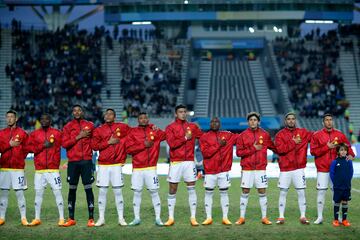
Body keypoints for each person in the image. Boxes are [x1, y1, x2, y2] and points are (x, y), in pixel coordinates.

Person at [310, 113, 355, 224]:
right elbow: (313, 151)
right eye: (326, 120)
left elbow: (348, 146)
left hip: (337, 170)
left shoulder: (339, 134)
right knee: (321, 192)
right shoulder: (316, 135)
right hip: (323, 169)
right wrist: (327, 147)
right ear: (323, 122)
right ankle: (320, 217)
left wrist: (352, 155)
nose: (329, 122)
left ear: (332, 121)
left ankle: (338, 217)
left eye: (330, 119)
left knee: (337, 192)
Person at [164, 104, 203, 226]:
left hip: (189, 162)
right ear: (176, 114)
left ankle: (193, 217)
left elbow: (203, 137)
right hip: (176, 162)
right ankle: (171, 218)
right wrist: (185, 138)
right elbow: (172, 144)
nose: (183, 114)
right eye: (180, 112)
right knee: (172, 189)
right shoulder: (170, 127)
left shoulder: (192, 126)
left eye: (184, 112)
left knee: (191, 188)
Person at [91, 108, 130, 227]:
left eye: (111, 114)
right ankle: (101, 218)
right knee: (102, 191)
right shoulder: (99, 130)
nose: (108, 116)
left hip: (117, 165)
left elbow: (135, 132)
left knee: (118, 191)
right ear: (104, 116)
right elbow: (94, 146)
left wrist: (151, 127)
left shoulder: (122, 127)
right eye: (106, 114)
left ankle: (121, 218)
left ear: (114, 116)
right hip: (103, 165)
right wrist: (108, 142)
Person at [126, 112, 166, 226]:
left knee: (154, 192)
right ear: (138, 120)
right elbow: (128, 149)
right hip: (137, 168)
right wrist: (143, 145)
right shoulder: (133, 132)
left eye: (145, 118)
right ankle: (136, 218)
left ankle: (158, 218)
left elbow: (165, 136)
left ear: (148, 119)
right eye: (141, 118)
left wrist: (157, 129)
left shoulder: (154, 130)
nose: (143, 120)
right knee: (137, 193)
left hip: (151, 168)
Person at [235, 112, 275, 225]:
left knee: (262, 191)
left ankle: (264, 218)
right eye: (251, 120)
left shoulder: (265, 134)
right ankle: (242, 217)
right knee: (245, 191)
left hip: (261, 168)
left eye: (255, 120)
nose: (253, 121)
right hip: (247, 168)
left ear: (258, 122)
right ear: (248, 122)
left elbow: (274, 147)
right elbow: (238, 153)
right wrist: (253, 148)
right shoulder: (242, 135)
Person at [274, 112, 312, 225]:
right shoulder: (280, 135)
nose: (291, 121)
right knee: (283, 192)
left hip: (299, 169)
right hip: (285, 169)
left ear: (295, 120)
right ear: (285, 121)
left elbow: (316, 136)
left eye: (293, 119)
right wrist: (293, 142)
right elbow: (280, 150)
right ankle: (281, 217)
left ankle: (303, 216)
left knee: (301, 192)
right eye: (289, 119)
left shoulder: (303, 132)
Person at [27, 113, 64, 226]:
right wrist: (42, 145)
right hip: (39, 170)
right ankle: (37, 218)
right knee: (38, 194)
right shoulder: (34, 134)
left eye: (46, 118)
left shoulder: (57, 133)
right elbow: (29, 148)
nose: (44, 121)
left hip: (53, 170)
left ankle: (62, 218)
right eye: (42, 119)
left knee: (57, 193)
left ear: (50, 120)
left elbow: (66, 144)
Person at [199, 117, 237, 225]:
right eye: (212, 122)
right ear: (209, 124)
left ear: (219, 124)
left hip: (223, 170)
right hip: (210, 171)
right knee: (208, 193)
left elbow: (241, 137)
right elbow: (206, 153)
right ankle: (208, 217)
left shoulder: (228, 135)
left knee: (224, 193)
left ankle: (225, 217)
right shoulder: (204, 137)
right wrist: (218, 145)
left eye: (217, 122)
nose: (214, 123)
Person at [62, 105, 96, 227]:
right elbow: (64, 144)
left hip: (86, 161)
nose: (77, 112)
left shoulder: (90, 125)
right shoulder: (67, 127)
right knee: (72, 189)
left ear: (82, 112)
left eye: (79, 110)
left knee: (88, 189)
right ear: (72, 112)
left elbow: (95, 141)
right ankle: (71, 218)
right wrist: (78, 136)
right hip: (73, 163)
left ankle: (91, 219)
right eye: (74, 110)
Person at [0, 110, 29, 226]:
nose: (9, 119)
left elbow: (27, 148)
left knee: (20, 193)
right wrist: (9, 145)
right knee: (4, 194)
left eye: (12, 117)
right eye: (8, 117)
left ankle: (23, 218)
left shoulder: (22, 133)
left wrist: (20, 157)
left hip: (18, 169)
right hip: (5, 168)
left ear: (16, 119)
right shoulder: (1, 133)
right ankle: (1, 217)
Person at [330, 143, 353, 227]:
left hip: (346, 186)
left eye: (345, 150)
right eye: (341, 150)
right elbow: (332, 173)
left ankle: (344, 220)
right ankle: (336, 220)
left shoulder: (349, 161)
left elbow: (351, 172)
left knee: (345, 202)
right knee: (337, 202)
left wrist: (347, 181)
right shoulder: (335, 162)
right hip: (338, 186)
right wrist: (335, 182)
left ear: (347, 151)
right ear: (338, 152)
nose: (343, 152)